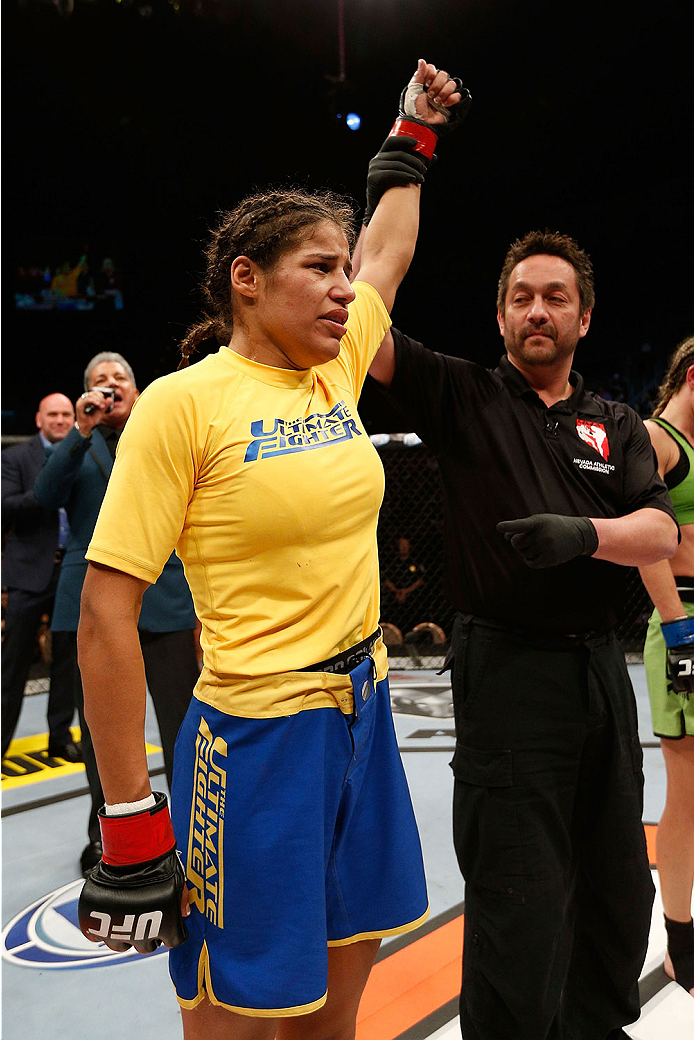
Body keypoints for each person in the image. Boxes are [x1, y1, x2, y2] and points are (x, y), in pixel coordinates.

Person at [76, 59, 470, 1040]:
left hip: (363, 711)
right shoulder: (182, 405)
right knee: (236, 1014)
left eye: (342, 269)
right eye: (317, 268)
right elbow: (103, 613)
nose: (345, 287)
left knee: (338, 996)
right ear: (246, 281)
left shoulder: (334, 367)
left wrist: (410, 132)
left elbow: (388, 250)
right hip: (252, 739)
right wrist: (129, 817)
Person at [367, 231, 679, 1039]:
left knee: (615, 882)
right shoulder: (462, 393)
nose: (538, 310)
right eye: (522, 297)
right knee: (519, 893)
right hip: (505, 669)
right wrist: (407, 158)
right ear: (499, 314)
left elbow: (658, 533)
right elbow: (363, 324)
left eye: (556, 297)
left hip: (600, 674)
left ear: (585, 316)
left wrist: (583, 535)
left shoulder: (615, 422)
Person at [33, 352, 200, 877]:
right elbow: (44, 497)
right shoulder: (77, 445)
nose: (110, 387)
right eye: (100, 382)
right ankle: (108, 842)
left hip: (166, 597)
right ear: (85, 394)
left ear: (136, 388)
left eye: (119, 379)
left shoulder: (159, 431)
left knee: (183, 727)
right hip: (93, 608)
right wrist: (79, 430)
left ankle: (196, 837)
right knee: (101, 736)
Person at [638, 335, 694, 997]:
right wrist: (680, 633)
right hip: (684, 615)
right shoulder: (655, 441)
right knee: (687, 785)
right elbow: (648, 540)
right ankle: (681, 939)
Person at [1, 392, 82, 762]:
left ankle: (60, 738)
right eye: (53, 414)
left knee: (68, 663)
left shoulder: (82, 453)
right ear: (39, 419)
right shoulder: (16, 457)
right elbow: (6, 507)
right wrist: (47, 490)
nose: (60, 420)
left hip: (70, 572)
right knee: (12, 663)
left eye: (66, 414)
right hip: (28, 573)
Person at [381, 534, 427, 634]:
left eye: (406, 545)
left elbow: (421, 580)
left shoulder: (415, 561)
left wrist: (406, 591)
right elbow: (385, 579)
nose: (404, 547)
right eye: (402, 545)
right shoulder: (391, 562)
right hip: (394, 596)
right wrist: (396, 591)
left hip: (412, 596)